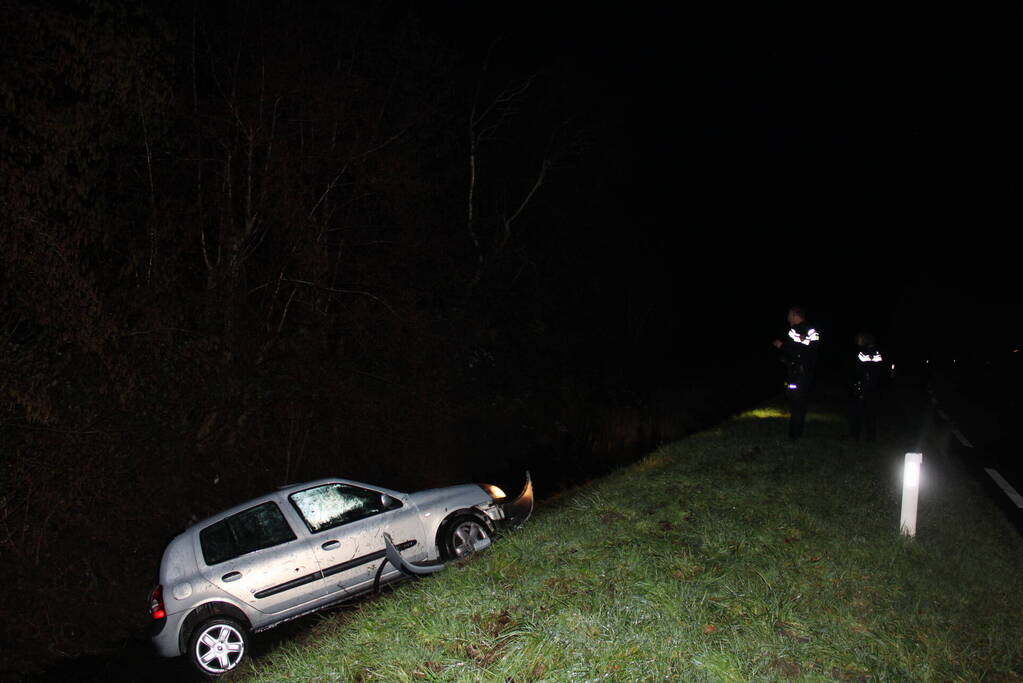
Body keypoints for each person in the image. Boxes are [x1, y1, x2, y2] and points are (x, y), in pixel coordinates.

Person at [772, 306, 821, 439]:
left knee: (797, 403)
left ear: (795, 315)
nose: (788, 318)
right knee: (796, 403)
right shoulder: (801, 331)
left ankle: (794, 435)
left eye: (789, 315)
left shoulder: (804, 331)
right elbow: (797, 351)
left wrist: (782, 346)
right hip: (798, 372)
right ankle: (795, 433)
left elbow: (802, 350)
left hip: (800, 374)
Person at [851, 331, 884, 440]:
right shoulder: (877, 352)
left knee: (859, 411)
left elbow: (860, 369)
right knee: (870, 411)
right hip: (873, 385)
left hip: (864, 385)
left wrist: (858, 381)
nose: (857, 341)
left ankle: (856, 435)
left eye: (859, 338)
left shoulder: (863, 352)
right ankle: (871, 436)